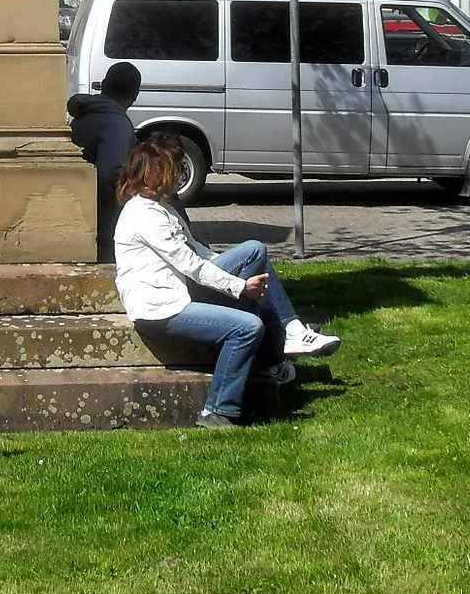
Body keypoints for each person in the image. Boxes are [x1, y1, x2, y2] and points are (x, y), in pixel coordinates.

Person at [112, 134, 338, 428]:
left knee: (254, 251)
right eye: (175, 169)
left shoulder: (160, 207)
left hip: (178, 293)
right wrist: (240, 286)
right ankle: (218, 409)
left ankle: (285, 340)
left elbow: (198, 251)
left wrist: (231, 266)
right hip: (162, 309)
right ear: (157, 173)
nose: (180, 175)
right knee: (247, 326)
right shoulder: (145, 215)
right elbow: (191, 265)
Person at [68, 61, 141, 262]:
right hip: (103, 221)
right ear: (134, 96)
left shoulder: (86, 115)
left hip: (77, 206)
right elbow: (110, 174)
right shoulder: (116, 124)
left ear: (103, 84)